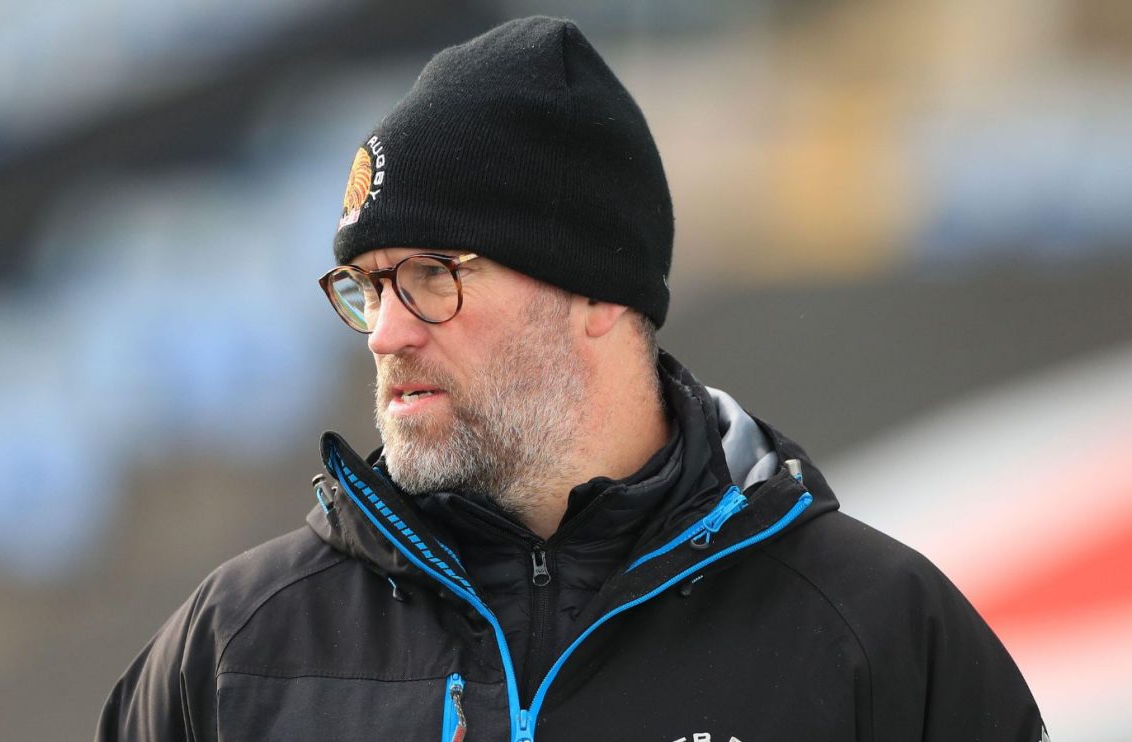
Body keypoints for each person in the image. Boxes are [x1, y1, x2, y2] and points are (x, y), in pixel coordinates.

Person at [97, 16, 1046, 742]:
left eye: (431, 276)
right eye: (368, 286)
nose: (385, 332)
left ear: (594, 291)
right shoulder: (235, 649)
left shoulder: (875, 630)